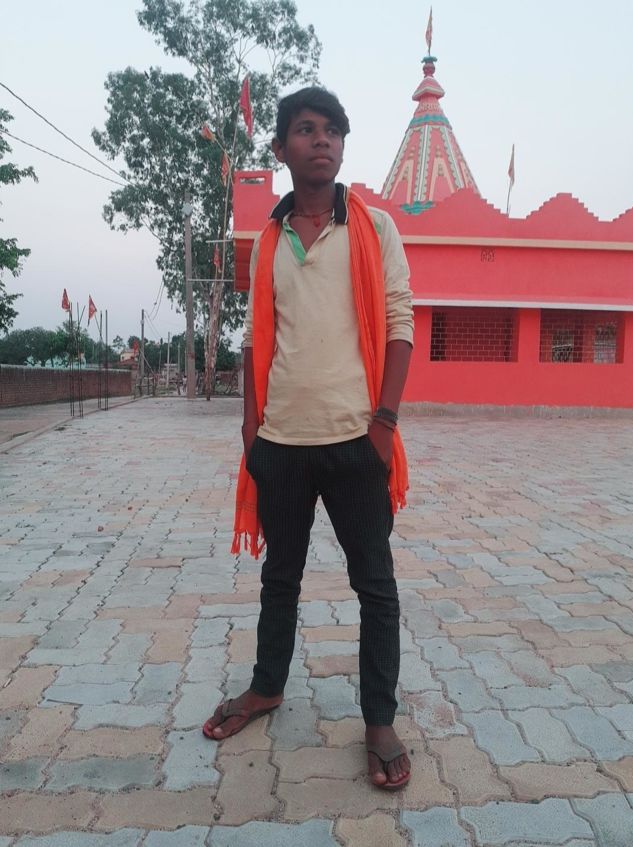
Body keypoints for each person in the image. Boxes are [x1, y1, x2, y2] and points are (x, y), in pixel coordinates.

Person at [203, 87, 414, 790]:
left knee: (375, 586)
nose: (321, 139)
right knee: (280, 579)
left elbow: (400, 324)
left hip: (357, 441)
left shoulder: (374, 228)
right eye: (305, 129)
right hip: (281, 443)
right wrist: (251, 434)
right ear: (281, 148)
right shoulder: (268, 241)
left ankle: (378, 719)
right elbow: (255, 338)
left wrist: (383, 425)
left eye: (331, 130)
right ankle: (267, 687)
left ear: (341, 145)